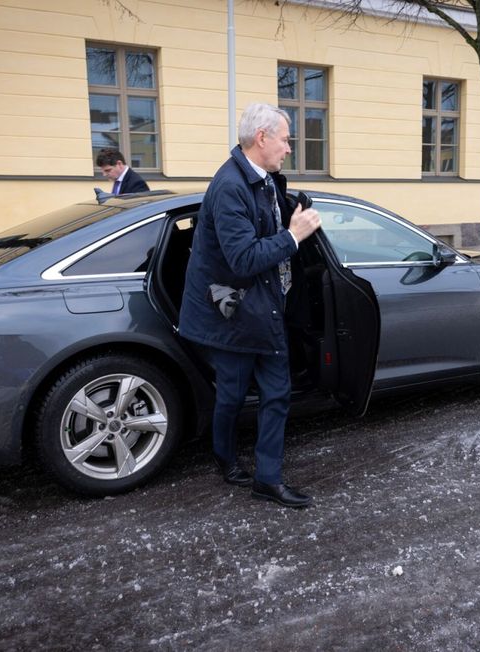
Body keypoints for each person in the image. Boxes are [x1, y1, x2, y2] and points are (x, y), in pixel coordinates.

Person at [178, 103, 321, 509]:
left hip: (261, 305)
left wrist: (290, 212)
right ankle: (224, 457)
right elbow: (242, 258)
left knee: (277, 392)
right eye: (285, 139)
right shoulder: (230, 186)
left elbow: (263, 226)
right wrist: (293, 237)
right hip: (235, 309)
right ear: (262, 138)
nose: (289, 148)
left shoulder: (261, 178)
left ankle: (267, 479)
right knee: (233, 393)